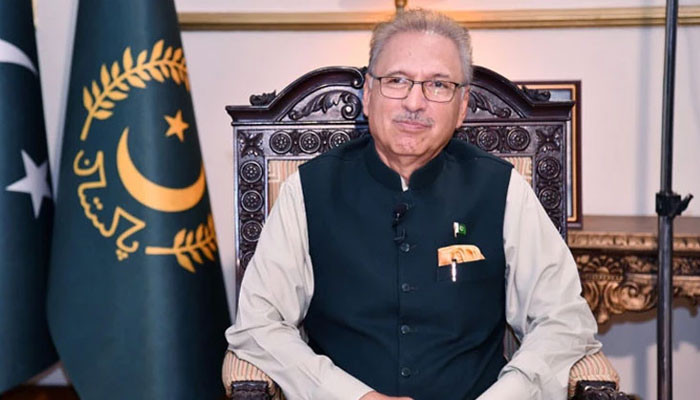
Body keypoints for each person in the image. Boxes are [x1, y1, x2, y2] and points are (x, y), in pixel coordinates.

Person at [225, 9, 600, 400]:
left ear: (462, 105)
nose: (415, 102)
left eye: (438, 84)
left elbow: (563, 321)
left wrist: (506, 394)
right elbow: (259, 326)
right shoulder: (306, 190)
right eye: (397, 81)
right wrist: (352, 396)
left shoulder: (503, 189)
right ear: (368, 95)